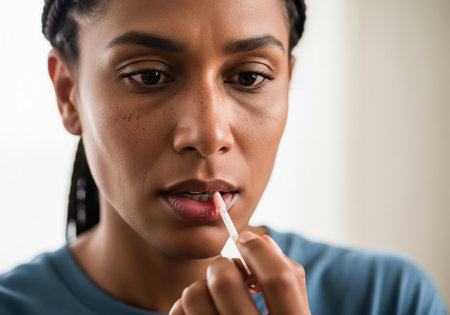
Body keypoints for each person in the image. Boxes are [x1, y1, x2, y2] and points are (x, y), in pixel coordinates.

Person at [0, 0, 447, 314]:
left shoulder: (386, 300)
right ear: (69, 95)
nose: (209, 135)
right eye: (150, 76)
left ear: (287, 85)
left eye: (250, 77)